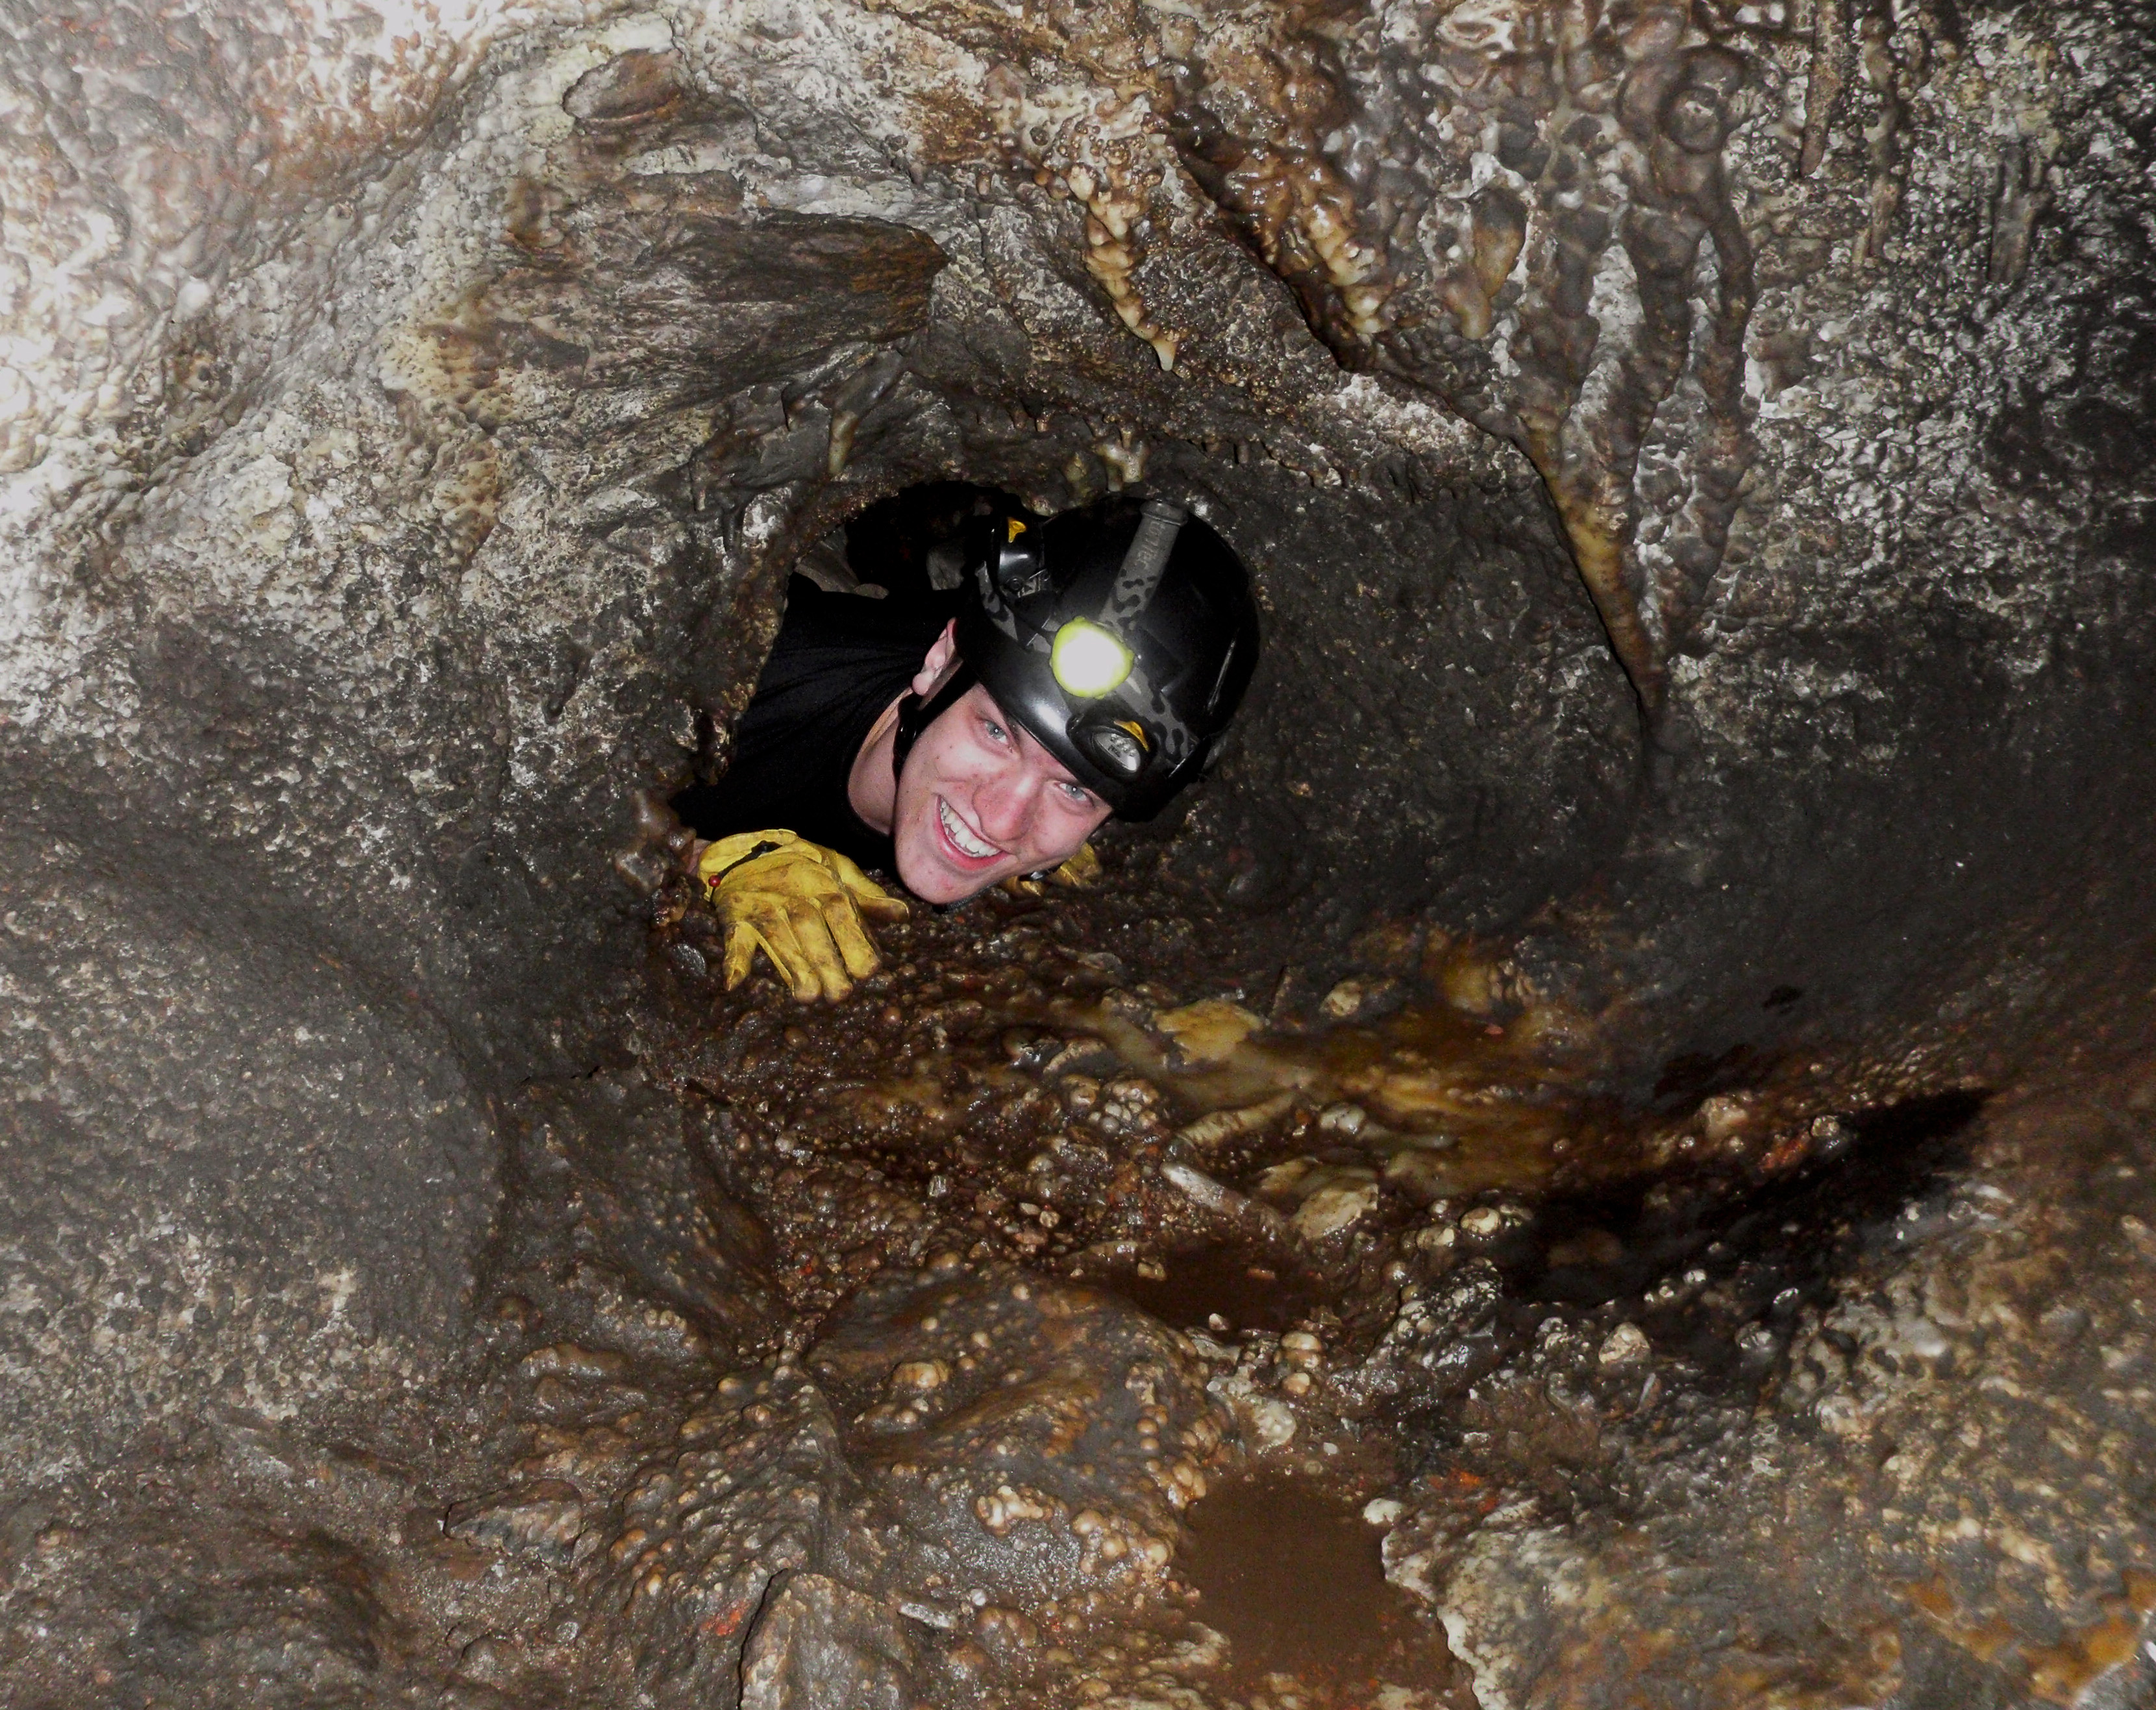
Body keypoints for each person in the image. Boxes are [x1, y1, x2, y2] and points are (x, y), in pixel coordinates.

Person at [673, 489, 1262, 1000]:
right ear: (940, 662)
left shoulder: (1018, 779)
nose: (1001, 821)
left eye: (1075, 790)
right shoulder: (740, 689)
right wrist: (694, 860)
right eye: (997, 732)